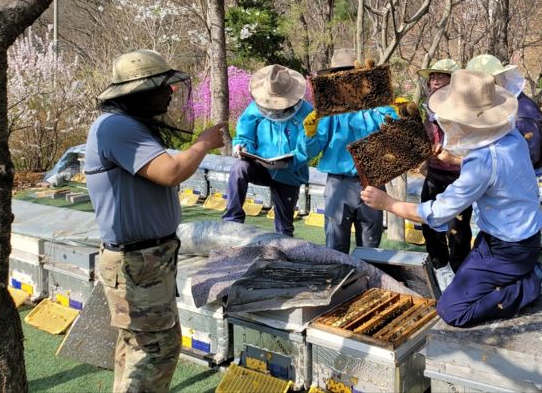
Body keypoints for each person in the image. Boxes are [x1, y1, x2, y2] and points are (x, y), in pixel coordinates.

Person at [361, 69, 542, 328]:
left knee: (453, 310)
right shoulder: (511, 136)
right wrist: (455, 158)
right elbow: (495, 169)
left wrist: (387, 204)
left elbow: (437, 213)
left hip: (510, 248)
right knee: (463, 286)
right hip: (508, 237)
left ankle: (536, 280)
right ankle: (525, 275)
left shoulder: (483, 160)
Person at [85, 50, 225, 392]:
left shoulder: (123, 126)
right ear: (139, 92)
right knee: (155, 350)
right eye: (162, 86)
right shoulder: (117, 127)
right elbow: (170, 171)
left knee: (139, 346)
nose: (171, 92)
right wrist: (204, 144)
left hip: (146, 260)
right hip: (138, 263)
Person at [302, 49, 399, 254]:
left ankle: (370, 284)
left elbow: (395, 133)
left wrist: (390, 111)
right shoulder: (328, 112)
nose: (344, 79)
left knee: (370, 246)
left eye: (349, 73)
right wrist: (309, 133)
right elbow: (311, 151)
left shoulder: (377, 106)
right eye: (339, 74)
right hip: (339, 183)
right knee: (335, 247)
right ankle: (338, 284)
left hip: (373, 179)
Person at [223, 64, 313, 235]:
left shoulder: (307, 113)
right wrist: (241, 147)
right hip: (259, 166)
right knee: (239, 169)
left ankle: (283, 253)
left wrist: (289, 163)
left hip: (289, 173)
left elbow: (308, 146)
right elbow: (244, 135)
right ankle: (232, 220)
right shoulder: (254, 108)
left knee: (284, 228)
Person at [416, 58, 468, 291]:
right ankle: (440, 266)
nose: (434, 81)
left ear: (453, 80)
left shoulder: (464, 106)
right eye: (432, 77)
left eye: (440, 76)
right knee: (429, 223)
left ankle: (459, 272)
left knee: (458, 229)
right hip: (435, 174)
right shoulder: (428, 106)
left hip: (459, 175)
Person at [466, 54, 542, 171]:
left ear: (495, 81)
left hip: (517, 177)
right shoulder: (501, 102)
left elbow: (529, 156)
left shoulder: (523, 114)